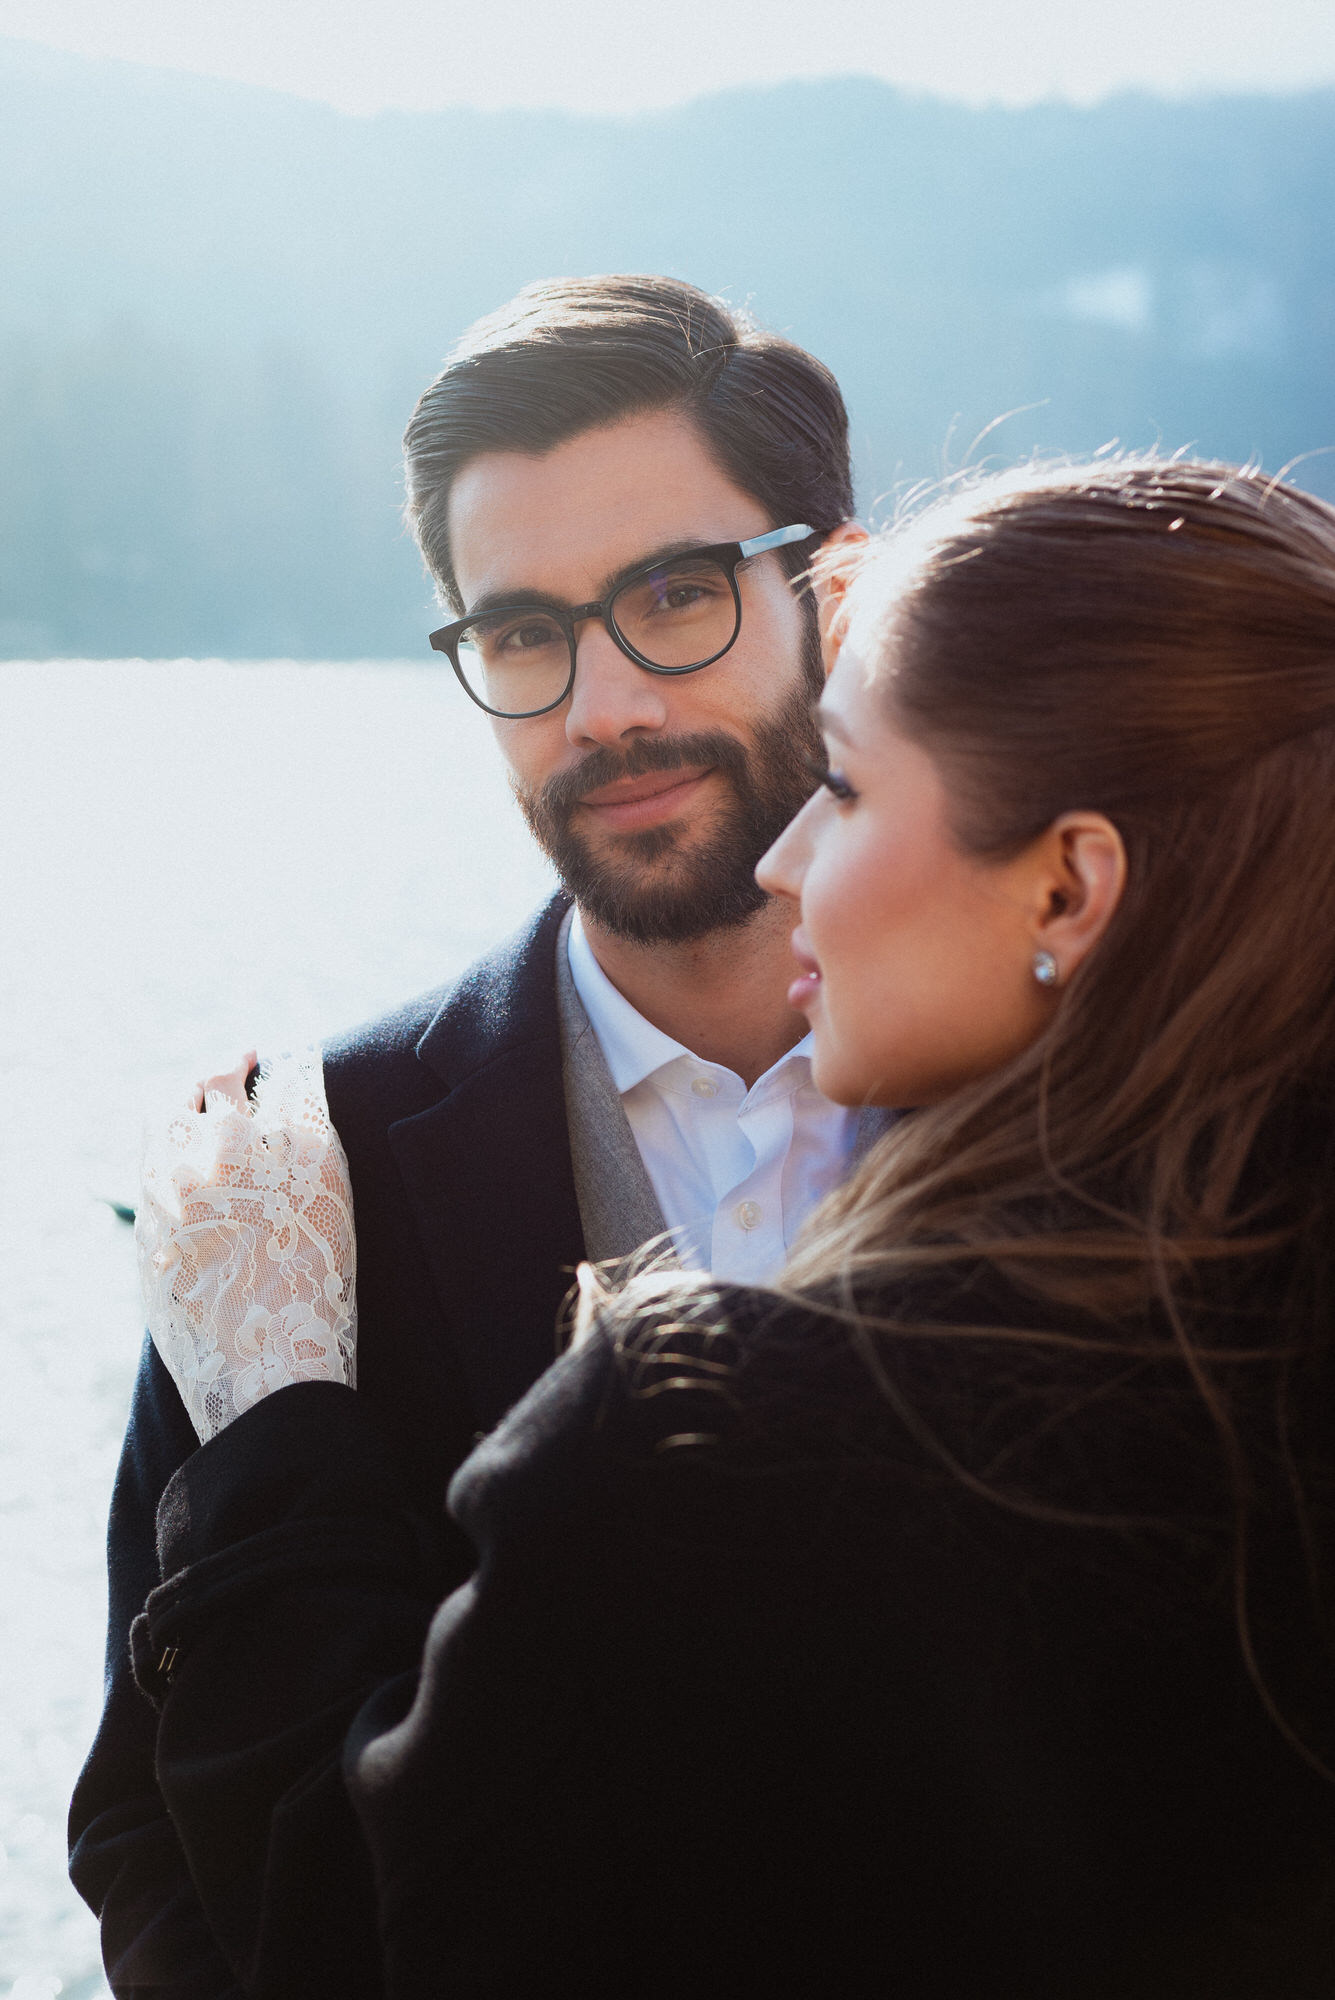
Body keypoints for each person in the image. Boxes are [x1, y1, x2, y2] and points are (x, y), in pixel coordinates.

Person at [124, 458, 1335, 1995]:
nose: (786, 862)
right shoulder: (343, 1132)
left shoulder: (705, 1425)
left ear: (1073, 882)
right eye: (515, 632)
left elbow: (344, 1938)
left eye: (847, 785)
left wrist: (274, 1416)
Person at [68, 274, 874, 1991]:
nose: (602, 706)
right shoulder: (304, 1179)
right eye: (522, 633)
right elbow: (146, 1834)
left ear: (834, 589)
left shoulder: (1102, 1087)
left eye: (677, 594)